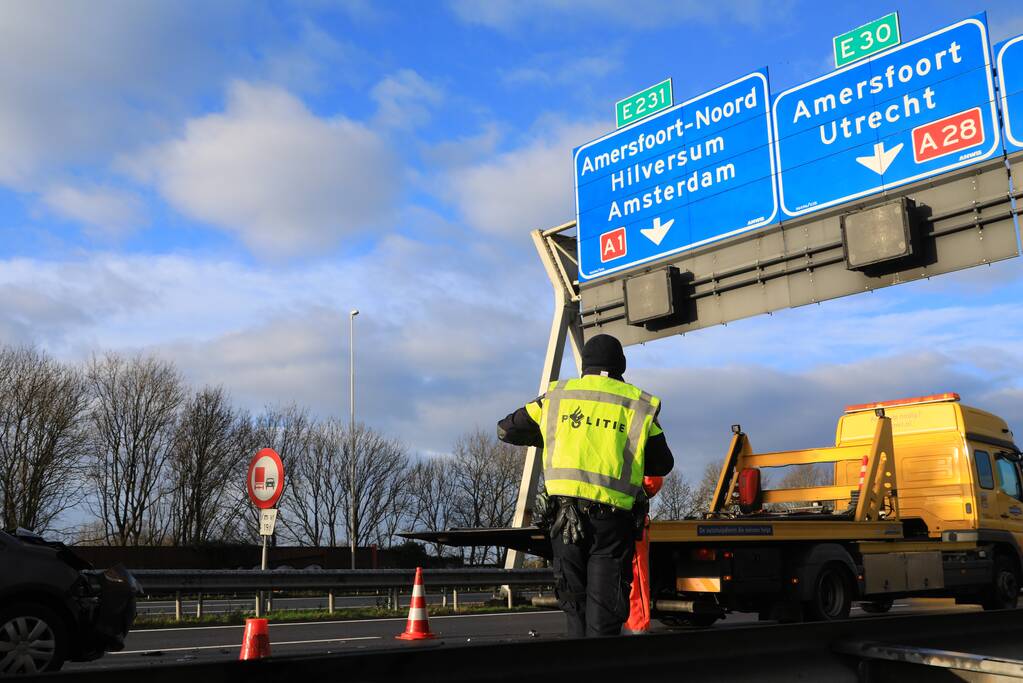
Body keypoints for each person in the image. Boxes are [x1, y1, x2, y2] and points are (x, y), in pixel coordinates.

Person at [497, 333, 673, 637]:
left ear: (585, 366)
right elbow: (663, 463)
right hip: (611, 525)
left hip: (564, 522)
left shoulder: (556, 398)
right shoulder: (637, 405)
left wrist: (556, 437)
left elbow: (506, 430)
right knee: (604, 615)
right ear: (621, 366)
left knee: (574, 607)